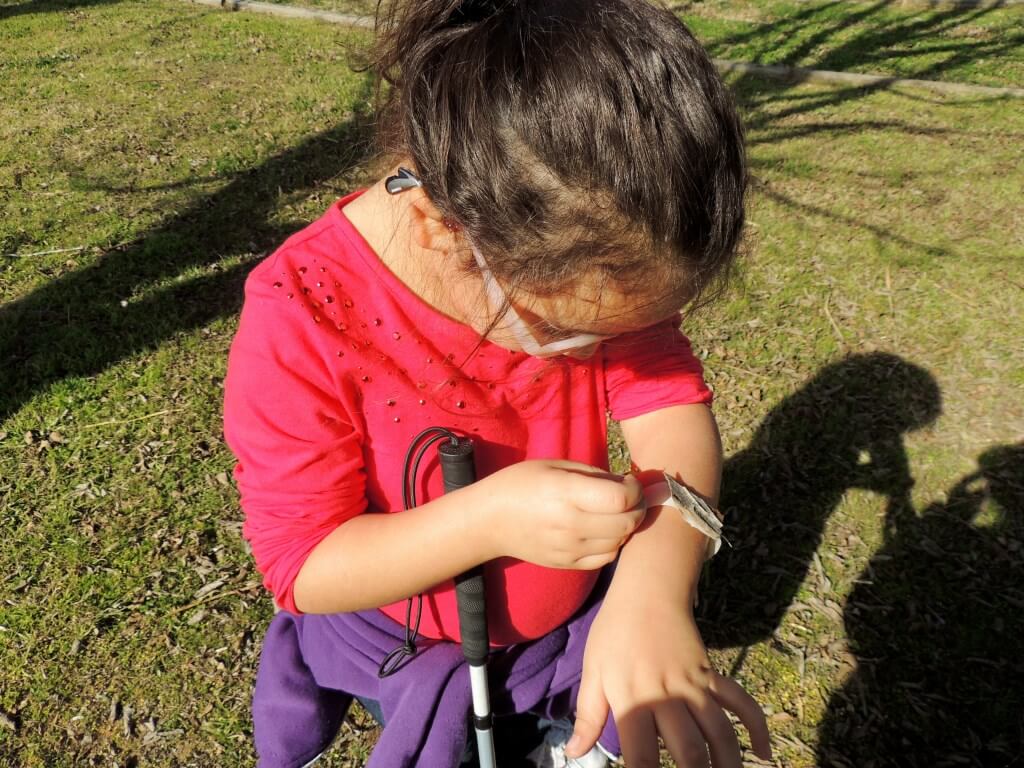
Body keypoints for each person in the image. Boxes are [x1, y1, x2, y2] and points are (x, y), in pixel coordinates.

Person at [223, 1, 772, 766]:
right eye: (570, 333)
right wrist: (484, 520)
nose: (605, 351)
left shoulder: (599, 237)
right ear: (441, 229)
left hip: (569, 618)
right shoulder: (303, 314)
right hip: (405, 633)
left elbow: (669, 405)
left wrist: (653, 587)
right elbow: (303, 566)